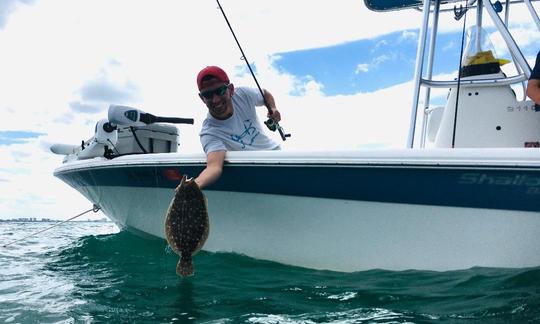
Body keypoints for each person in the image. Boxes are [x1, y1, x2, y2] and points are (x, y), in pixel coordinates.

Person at [193, 66, 281, 189]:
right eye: (207, 95)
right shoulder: (209, 132)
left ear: (231, 89)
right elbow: (214, 167)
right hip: (249, 171)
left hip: (275, 155)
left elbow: (265, 94)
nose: (215, 99)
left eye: (220, 91)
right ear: (202, 98)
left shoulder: (243, 94)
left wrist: (273, 108)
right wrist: (193, 186)